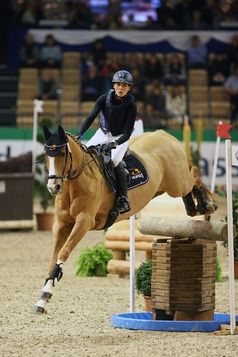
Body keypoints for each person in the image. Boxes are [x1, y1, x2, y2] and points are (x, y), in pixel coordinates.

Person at [76, 70, 137, 213]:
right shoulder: (103, 99)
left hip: (119, 137)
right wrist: (79, 134)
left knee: (114, 161)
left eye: (124, 85)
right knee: (85, 155)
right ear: (114, 85)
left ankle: (123, 198)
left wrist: (114, 144)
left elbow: (128, 133)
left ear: (129, 88)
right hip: (102, 133)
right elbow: (90, 118)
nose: (121, 88)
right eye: (118, 84)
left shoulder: (131, 106)